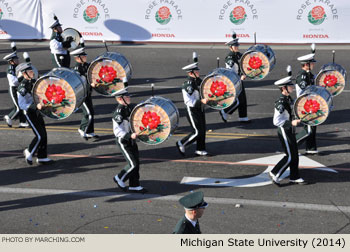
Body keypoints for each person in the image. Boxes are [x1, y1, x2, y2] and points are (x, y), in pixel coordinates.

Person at [269, 70, 307, 186]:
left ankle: (294, 176)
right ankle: (275, 173)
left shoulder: (289, 99)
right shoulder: (281, 102)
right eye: (290, 85)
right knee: (290, 156)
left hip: (289, 130)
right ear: (284, 89)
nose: (293, 87)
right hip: (284, 131)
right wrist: (291, 123)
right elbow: (276, 121)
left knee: (294, 154)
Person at [17, 62, 53, 165]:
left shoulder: (34, 81)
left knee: (44, 134)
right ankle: (29, 151)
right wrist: (34, 106)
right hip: (30, 113)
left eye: (32, 70)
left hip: (37, 112)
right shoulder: (22, 88)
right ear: (24, 74)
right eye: (29, 71)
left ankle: (42, 157)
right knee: (39, 135)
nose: (32, 72)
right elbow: (21, 104)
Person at [112, 88, 147, 193]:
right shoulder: (119, 113)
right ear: (120, 99)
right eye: (126, 97)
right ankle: (119, 177)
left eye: (128, 96)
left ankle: (134, 185)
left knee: (137, 163)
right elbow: (117, 131)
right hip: (124, 141)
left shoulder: (129, 107)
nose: (129, 98)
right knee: (133, 164)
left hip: (131, 139)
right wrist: (129, 136)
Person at [176, 62, 209, 156]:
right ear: (191, 73)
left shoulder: (197, 81)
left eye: (197, 70)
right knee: (197, 131)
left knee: (202, 130)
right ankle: (182, 143)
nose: (198, 72)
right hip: (192, 110)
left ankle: (200, 149)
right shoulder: (188, 85)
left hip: (200, 108)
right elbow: (189, 101)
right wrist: (201, 101)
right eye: (196, 71)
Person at [219, 33, 250, 123]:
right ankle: (224, 110)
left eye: (237, 45)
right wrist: (240, 77)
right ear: (230, 47)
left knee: (243, 99)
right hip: (234, 81)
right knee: (237, 101)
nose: (236, 47)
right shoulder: (230, 58)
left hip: (239, 80)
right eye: (234, 46)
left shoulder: (238, 54)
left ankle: (243, 117)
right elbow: (231, 73)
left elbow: (244, 60)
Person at [71, 45, 99, 140]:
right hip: (81, 95)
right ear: (77, 58)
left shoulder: (86, 65)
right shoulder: (77, 69)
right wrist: (90, 84)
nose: (85, 57)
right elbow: (78, 83)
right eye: (83, 57)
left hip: (88, 93)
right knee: (89, 113)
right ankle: (83, 130)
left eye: (85, 56)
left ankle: (90, 131)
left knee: (91, 112)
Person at [295, 52, 318, 155]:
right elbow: (303, 93)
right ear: (306, 64)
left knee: (313, 126)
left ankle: (311, 148)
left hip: (311, 104)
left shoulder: (309, 74)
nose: (313, 65)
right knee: (309, 129)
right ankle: (292, 145)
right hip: (305, 105)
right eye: (311, 63)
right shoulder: (303, 77)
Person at [3, 42, 28, 128]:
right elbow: (14, 82)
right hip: (13, 89)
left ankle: (22, 122)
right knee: (18, 107)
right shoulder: (10, 70)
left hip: (19, 88)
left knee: (21, 105)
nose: (18, 60)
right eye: (16, 59)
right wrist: (22, 77)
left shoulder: (17, 67)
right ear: (11, 61)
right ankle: (9, 117)